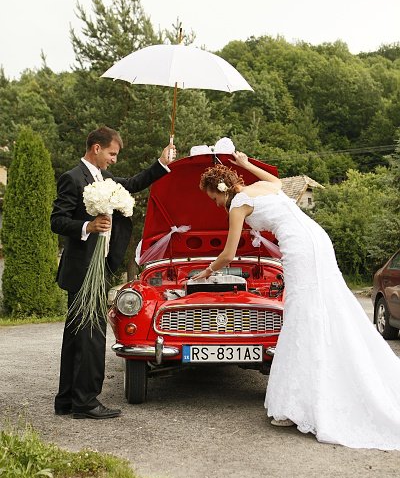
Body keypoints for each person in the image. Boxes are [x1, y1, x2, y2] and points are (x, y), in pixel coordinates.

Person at [193, 151, 400, 450]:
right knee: (322, 307)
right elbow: (277, 182)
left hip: (299, 246)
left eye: (213, 198)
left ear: (221, 190)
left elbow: (228, 254)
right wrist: (246, 164)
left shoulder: (237, 205)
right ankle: (314, 392)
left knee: (302, 314)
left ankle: (304, 403)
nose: (215, 204)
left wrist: (207, 271)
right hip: (317, 238)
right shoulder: (259, 187)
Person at [51, 126, 176, 420]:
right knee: (91, 337)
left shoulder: (104, 179)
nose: (114, 160)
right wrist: (88, 226)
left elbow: (133, 183)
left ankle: (67, 400)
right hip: (83, 271)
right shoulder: (72, 178)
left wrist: (162, 163)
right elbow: (57, 221)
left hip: (98, 269)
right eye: (112, 153)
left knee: (77, 336)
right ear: (96, 148)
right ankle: (86, 403)